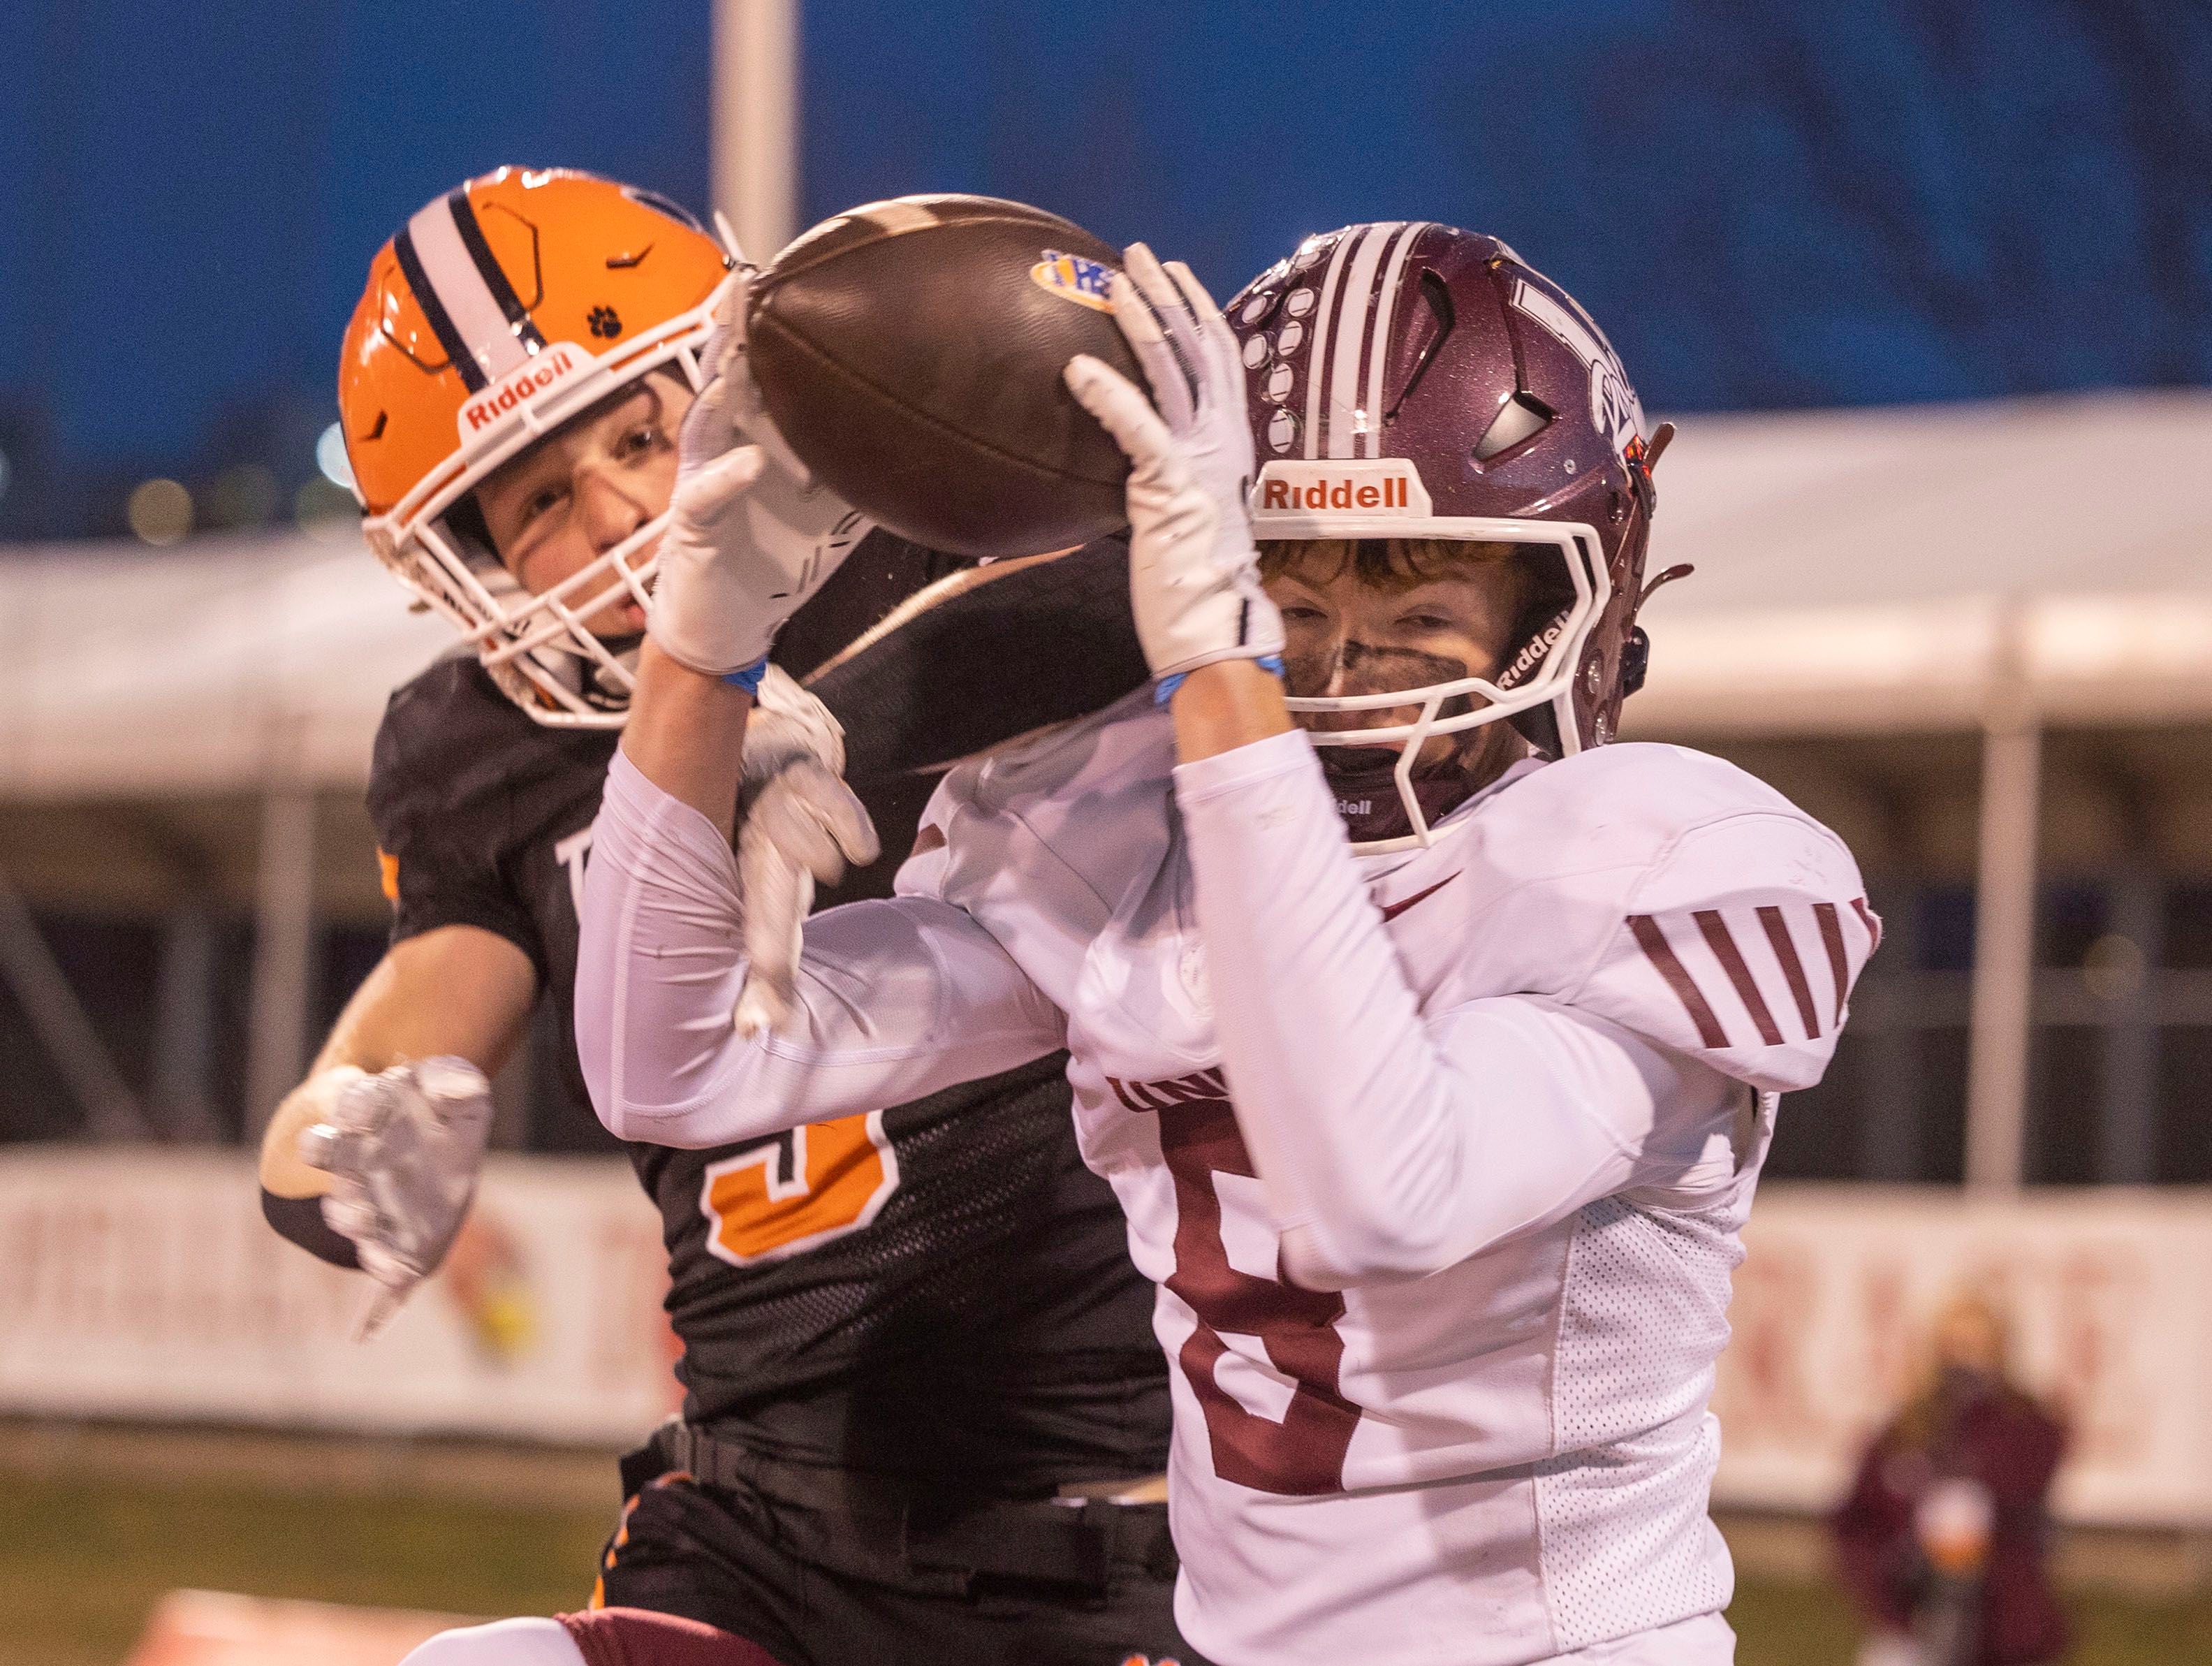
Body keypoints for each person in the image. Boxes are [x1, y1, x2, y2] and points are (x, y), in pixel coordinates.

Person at [577, 218, 1883, 1666]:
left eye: (1423, 607)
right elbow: (673, 1062)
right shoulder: (1139, 833)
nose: (1338, 673)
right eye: (1295, 605)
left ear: (1569, 602)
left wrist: (1219, 679)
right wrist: (699, 654)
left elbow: (1380, 1192)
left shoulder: (1655, 855)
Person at [257, 167, 1188, 1666]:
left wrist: (820, 707)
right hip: (759, 1527)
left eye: (636, 433)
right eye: (539, 498)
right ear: (473, 562)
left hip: (1119, 1512)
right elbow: (403, 1025)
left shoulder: (969, 544)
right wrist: (356, 1132)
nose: (621, 508)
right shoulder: (474, 741)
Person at [1832, 1293, 2069, 1666]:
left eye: (1978, 1348)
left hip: (2005, 1627)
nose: (1964, 1362)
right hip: (1914, 1619)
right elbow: (1856, 1523)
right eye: (1954, 1348)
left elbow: (2028, 1489)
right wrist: (1888, 1589)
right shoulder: (1902, 1434)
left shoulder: (2027, 1427)